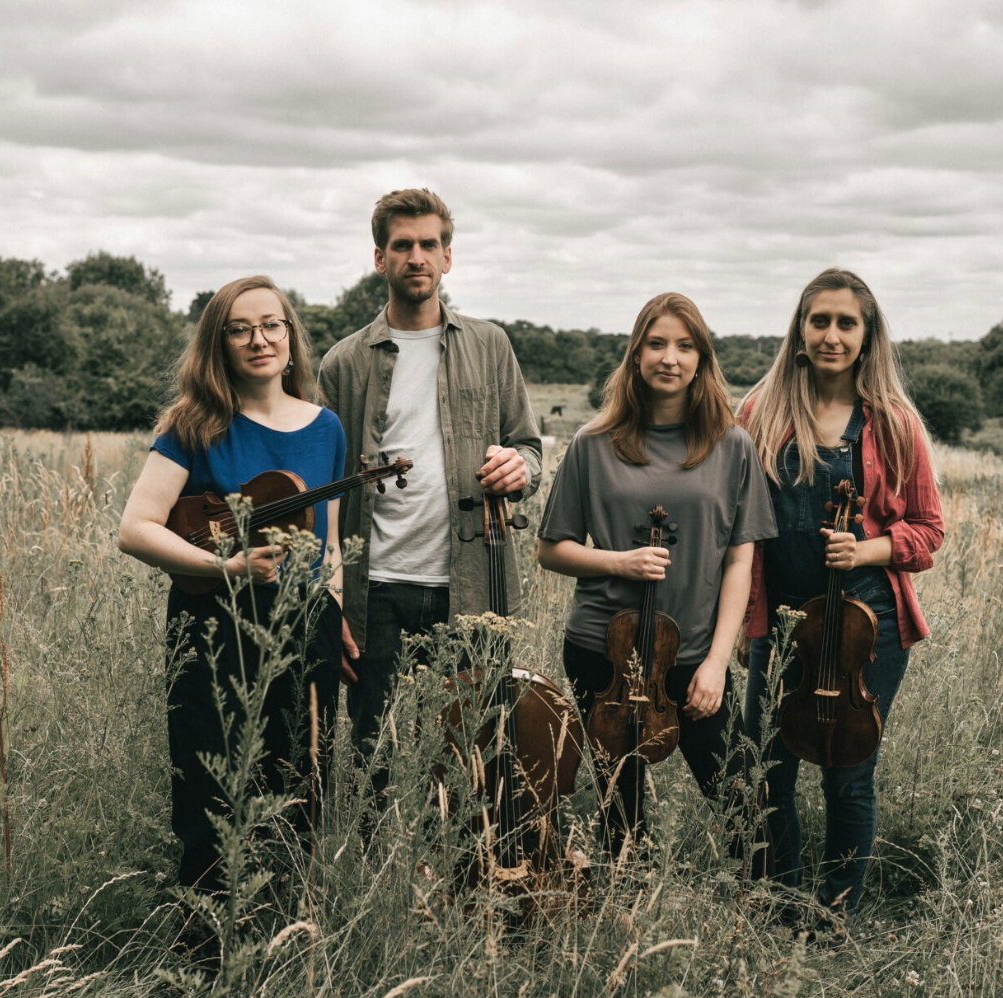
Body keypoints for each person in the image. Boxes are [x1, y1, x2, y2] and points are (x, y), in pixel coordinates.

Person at [319, 189, 543, 822]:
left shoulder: (491, 345)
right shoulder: (343, 363)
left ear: (448, 257)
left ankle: (471, 894)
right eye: (401, 246)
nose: (415, 257)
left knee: (477, 756)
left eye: (427, 246)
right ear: (378, 258)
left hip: (472, 588)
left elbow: (529, 447)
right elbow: (330, 497)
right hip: (378, 589)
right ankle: (371, 895)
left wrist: (518, 467)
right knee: (373, 760)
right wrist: (332, 598)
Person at [118, 275, 347, 892]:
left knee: (302, 780)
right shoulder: (195, 424)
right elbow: (136, 529)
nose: (258, 339)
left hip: (304, 622)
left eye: (271, 325)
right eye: (239, 329)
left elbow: (327, 545)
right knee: (211, 787)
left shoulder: (327, 428)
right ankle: (204, 946)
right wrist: (226, 568)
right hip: (212, 626)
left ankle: (285, 930)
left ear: (291, 338)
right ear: (219, 345)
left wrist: (336, 614)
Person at [537, 293, 777, 860]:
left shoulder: (732, 446)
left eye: (685, 345)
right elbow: (552, 550)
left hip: (693, 652)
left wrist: (717, 663)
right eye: (657, 343)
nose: (670, 357)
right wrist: (618, 561)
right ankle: (622, 922)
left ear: (701, 360)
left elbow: (740, 561)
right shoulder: (592, 444)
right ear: (636, 354)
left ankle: (770, 918)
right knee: (622, 808)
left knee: (746, 800)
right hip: (604, 648)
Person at [738, 268, 944, 926]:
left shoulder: (893, 422)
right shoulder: (761, 411)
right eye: (819, 320)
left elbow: (928, 531)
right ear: (800, 329)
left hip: (866, 624)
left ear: (866, 334)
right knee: (768, 767)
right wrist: (744, 626)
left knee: (847, 770)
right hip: (781, 617)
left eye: (845, 323)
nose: (831, 335)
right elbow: (738, 528)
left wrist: (869, 549)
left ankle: (836, 915)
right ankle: (781, 903)